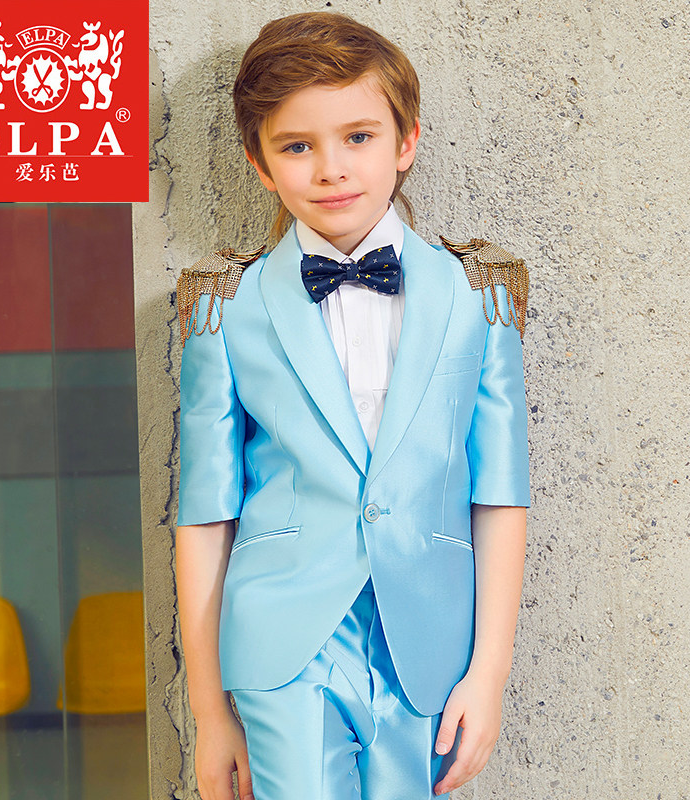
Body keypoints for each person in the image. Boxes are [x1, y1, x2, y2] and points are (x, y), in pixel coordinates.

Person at [174, 11, 530, 800]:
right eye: (297, 147)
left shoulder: (480, 294)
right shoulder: (225, 307)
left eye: (358, 137)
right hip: (283, 649)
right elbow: (203, 515)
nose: (331, 169)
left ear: (407, 142)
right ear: (260, 166)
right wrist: (209, 711)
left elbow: (501, 494)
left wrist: (490, 673)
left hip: (428, 647)